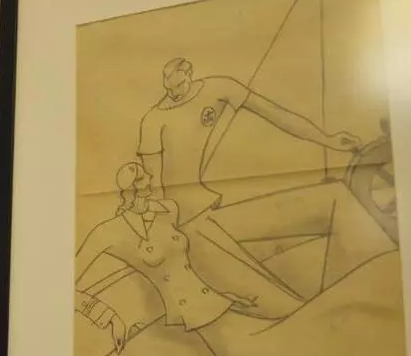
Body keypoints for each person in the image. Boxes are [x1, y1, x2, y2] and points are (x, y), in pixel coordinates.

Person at [74, 161, 406, 356]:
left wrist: (228, 293)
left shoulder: (167, 211)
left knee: (325, 343)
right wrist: (106, 316)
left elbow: (189, 265)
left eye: (147, 178)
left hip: (228, 305)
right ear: (127, 189)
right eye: (140, 181)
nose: (148, 183)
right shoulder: (108, 233)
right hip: (214, 331)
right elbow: (67, 284)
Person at [133, 58, 395, 317]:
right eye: (169, 88)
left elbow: (274, 114)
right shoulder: (153, 121)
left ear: (189, 77)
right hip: (186, 224)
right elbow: (154, 186)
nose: (174, 94)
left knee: (340, 200)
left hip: (212, 209)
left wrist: (327, 140)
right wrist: (162, 232)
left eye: (179, 86)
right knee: (287, 309)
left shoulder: (218, 88)